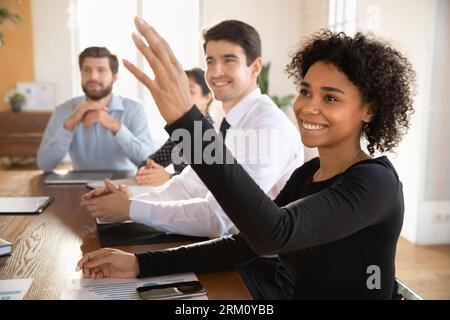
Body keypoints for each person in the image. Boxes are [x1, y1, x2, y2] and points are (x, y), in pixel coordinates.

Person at [77, 19, 417, 300]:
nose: (308, 107)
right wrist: (140, 265)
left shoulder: (376, 183)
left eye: (330, 97)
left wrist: (186, 122)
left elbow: (274, 233)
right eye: (305, 91)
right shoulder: (308, 174)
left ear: (369, 109)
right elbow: (246, 243)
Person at [80, 20, 304, 238]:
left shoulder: (267, 129)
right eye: (210, 61)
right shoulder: (224, 121)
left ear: (255, 67)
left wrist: (131, 210)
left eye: (229, 60)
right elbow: (188, 186)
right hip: (226, 247)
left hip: (257, 263)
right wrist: (129, 203)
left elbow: (218, 218)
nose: (216, 72)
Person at [37, 46, 155, 172]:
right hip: (81, 188)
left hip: (125, 188)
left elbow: (150, 163)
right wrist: (69, 125)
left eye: (101, 70)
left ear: (114, 78)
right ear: (81, 75)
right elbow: (45, 164)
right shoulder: (63, 111)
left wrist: (117, 127)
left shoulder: (135, 109)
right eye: (87, 70)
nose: (93, 77)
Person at [135, 68, 214, 186]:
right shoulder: (181, 131)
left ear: (208, 97)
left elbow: (209, 182)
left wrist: (170, 177)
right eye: (180, 92)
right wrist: (148, 170)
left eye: (190, 92)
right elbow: (151, 162)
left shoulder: (215, 133)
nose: (181, 97)